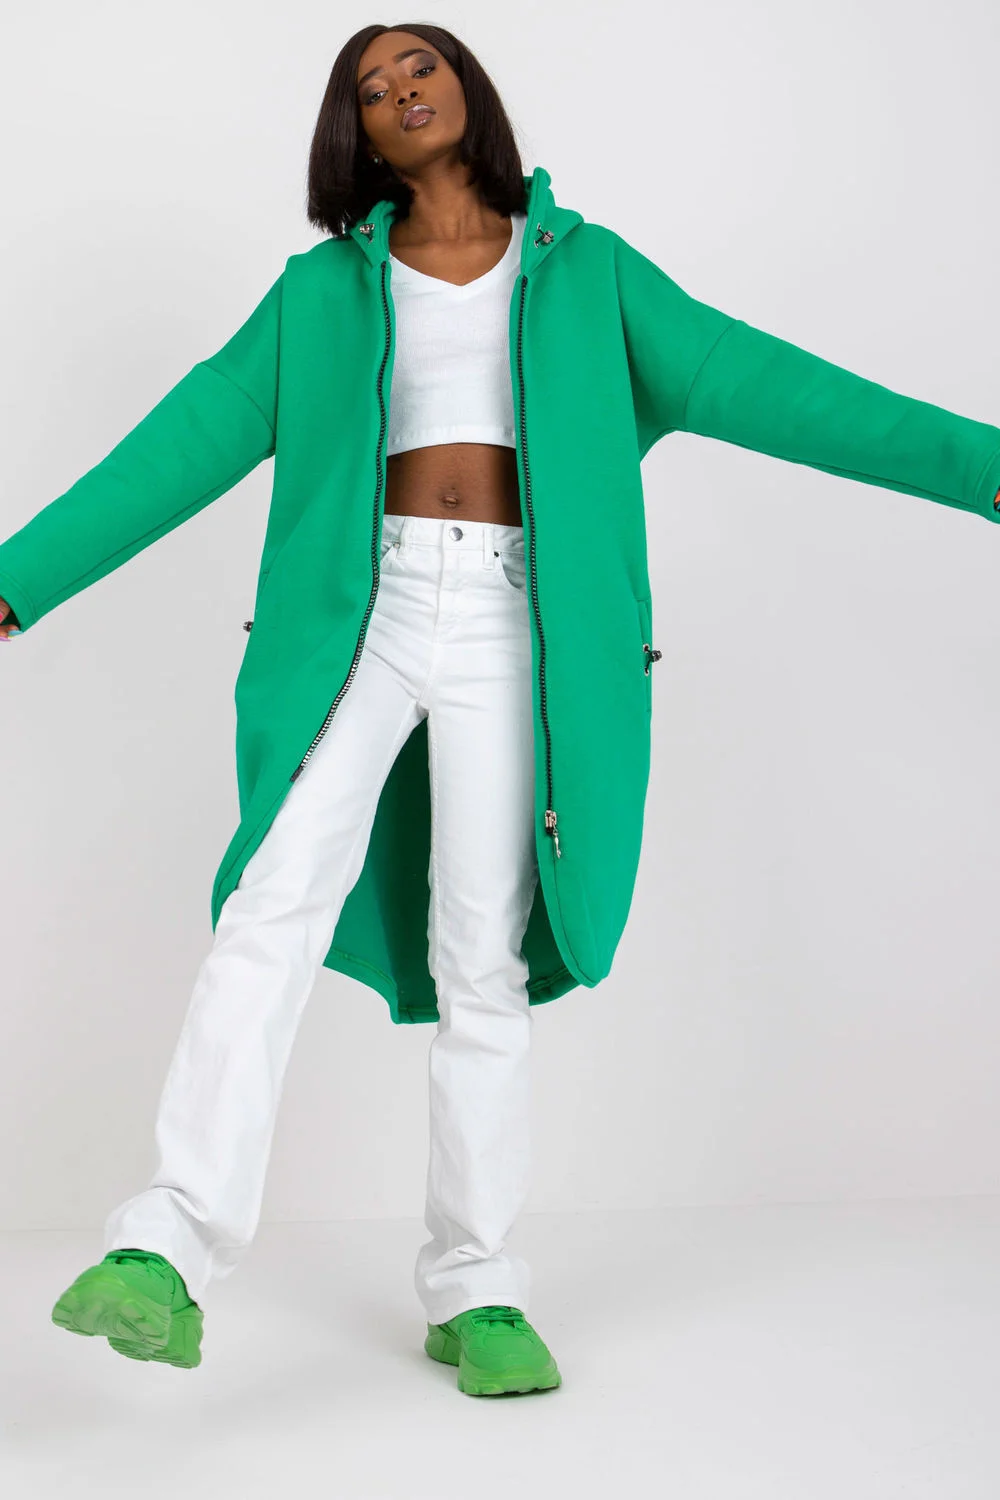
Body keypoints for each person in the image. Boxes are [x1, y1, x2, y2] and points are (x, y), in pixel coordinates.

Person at [4, 23, 1000, 1400]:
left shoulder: (589, 274)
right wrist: (18, 582)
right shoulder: (318, 295)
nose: (400, 90)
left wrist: (984, 467)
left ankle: (476, 1285)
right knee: (268, 906)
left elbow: (778, 387)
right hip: (361, 617)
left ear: (466, 86)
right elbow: (178, 444)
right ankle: (164, 1245)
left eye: (420, 65)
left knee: (482, 951)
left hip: (513, 626)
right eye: (371, 87)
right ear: (355, 135)